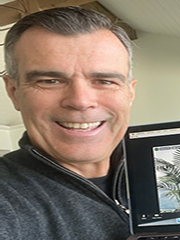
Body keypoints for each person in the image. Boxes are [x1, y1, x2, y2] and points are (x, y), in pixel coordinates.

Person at [0, 7, 136, 240]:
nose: (80, 101)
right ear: (13, 91)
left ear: (129, 93)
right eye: (50, 80)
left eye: (104, 81)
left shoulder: (172, 169)